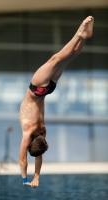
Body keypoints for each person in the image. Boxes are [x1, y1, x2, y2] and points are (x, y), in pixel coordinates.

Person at [19, 16, 94, 187]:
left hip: (48, 89)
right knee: (57, 58)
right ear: (31, 143)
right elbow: (23, 160)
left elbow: (39, 154)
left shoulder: (42, 134)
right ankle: (79, 34)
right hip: (36, 89)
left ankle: (84, 38)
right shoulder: (27, 132)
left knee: (65, 59)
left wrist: (37, 177)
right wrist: (25, 179)